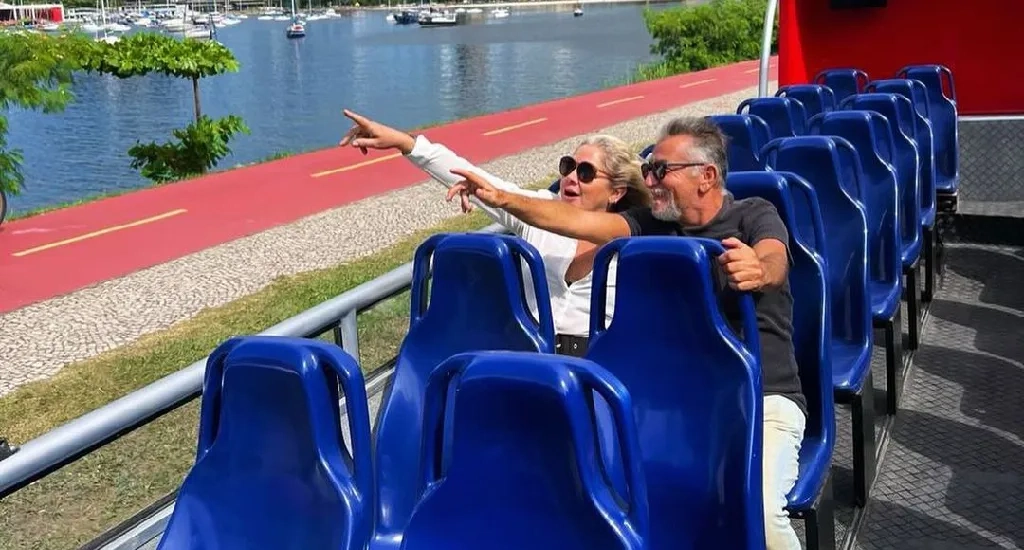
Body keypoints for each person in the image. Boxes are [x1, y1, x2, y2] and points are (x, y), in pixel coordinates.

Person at [443, 115, 807, 550]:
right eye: (648, 169)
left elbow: (774, 258)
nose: (649, 180)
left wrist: (758, 270)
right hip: (674, 408)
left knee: (760, 514)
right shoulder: (649, 224)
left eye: (659, 171)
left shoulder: (754, 215)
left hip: (762, 401)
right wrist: (501, 197)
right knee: (584, 492)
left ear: (706, 176)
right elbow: (571, 222)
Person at [338, 109, 651, 357]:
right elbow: (471, 174)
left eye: (585, 173)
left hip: (602, 363)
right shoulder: (535, 210)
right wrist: (405, 143)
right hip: (532, 359)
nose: (570, 178)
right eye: (568, 166)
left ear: (616, 192)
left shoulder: (637, 237)